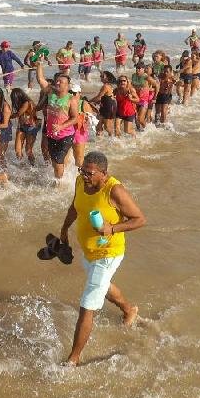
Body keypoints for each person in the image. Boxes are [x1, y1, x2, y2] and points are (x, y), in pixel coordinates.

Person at [56, 152, 144, 366]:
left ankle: (73, 360)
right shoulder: (80, 182)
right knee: (103, 286)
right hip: (89, 252)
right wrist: (64, 229)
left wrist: (112, 228)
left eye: (90, 173)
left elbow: (140, 219)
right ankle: (129, 310)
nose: (84, 176)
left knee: (87, 305)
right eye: (82, 171)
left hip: (108, 253)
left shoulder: (114, 191)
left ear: (104, 174)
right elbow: (75, 207)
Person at [35, 68, 78, 180]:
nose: (57, 83)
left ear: (67, 86)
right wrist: (39, 64)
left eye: (61, 82)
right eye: (57, 81)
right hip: (51, 134)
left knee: (58, 162)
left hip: (65, 135)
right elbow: (40, 79)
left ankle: (59, 184)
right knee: (54, 161)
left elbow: (75, 118)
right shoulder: (50, 92)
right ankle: (62, 177)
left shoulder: (71, 99)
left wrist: (61, 126)